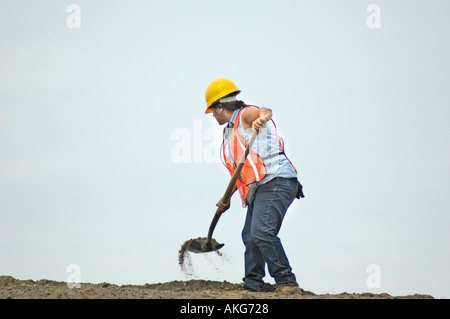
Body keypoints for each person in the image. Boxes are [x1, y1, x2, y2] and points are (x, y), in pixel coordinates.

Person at [204, 78, 305, 294]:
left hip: (277, 180)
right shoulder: (229, 133)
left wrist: (261, 119)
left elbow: (265, 111)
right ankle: (253, 284)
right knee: (250, 235)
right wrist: (227, 198)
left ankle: (287, 282)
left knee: (261, 231)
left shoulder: (246, 115)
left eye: (212, 109)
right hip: (260, 187)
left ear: (220, 107)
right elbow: (239, 174)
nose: (212, 115)